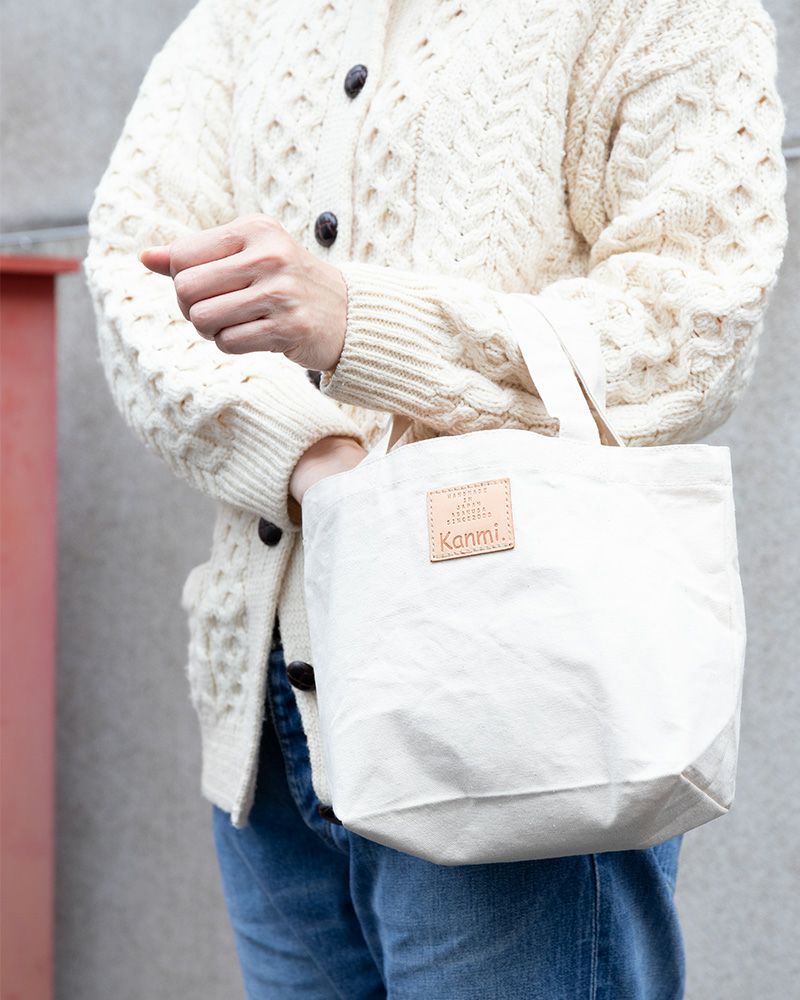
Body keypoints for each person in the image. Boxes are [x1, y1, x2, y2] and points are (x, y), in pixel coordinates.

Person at [83, 0, 788, 996]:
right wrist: (307, 451)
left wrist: (359, 323)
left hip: (515, 717)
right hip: (268, 732)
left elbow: (689, 328)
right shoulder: (244, 14)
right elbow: (135, 273)